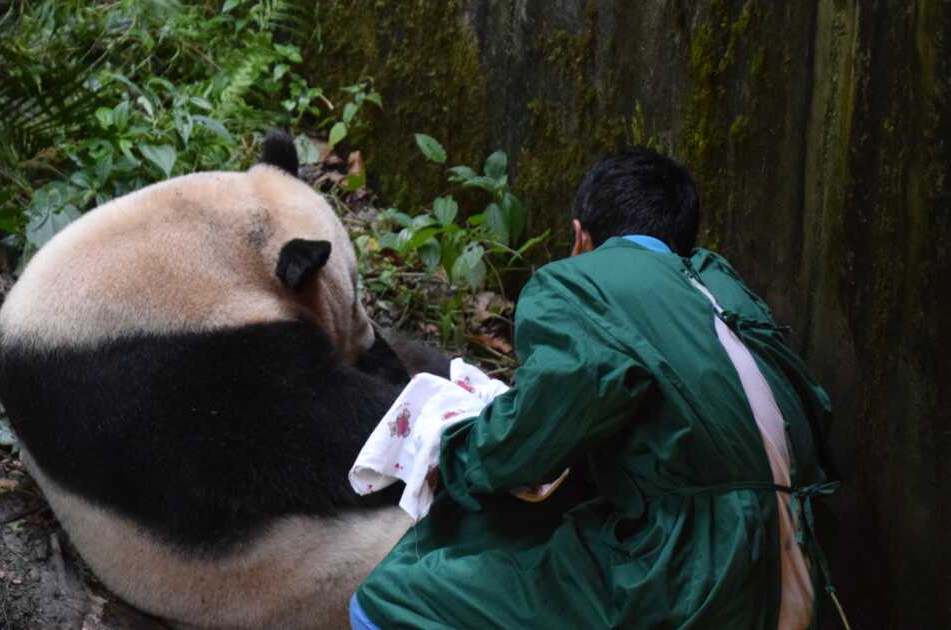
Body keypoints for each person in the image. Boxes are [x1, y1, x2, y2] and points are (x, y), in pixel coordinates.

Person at [350, 148, 842, 629]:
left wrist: (451, 451)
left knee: (385, 601)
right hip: (800, 574)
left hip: (690, 581)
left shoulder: (580, 283)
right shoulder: (728, 291)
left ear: (580, 237)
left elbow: (526, 444)